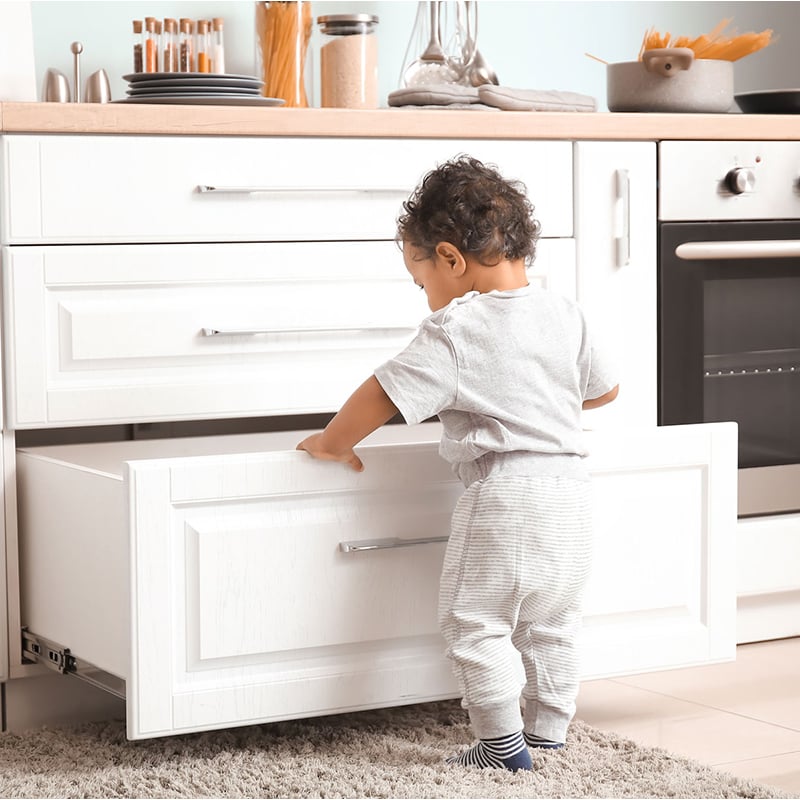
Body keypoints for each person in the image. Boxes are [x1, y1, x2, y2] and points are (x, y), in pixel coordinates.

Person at [297, 155, 619, 772]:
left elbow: (382, 393)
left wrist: (332, 444)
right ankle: (549, 733)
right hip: (572, 495)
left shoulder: (455, 329)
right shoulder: (563, 311)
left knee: (474, 623)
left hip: (505, 497)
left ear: (449, 258)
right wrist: (535, 386)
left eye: (420, 280)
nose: (424, 295)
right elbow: (603, 391)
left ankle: (500, 748)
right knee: (553, 621)